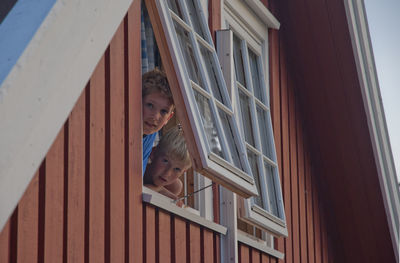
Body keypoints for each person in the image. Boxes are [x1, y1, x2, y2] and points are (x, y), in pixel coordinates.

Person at [143, 126, 192, 202]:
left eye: (177, 169)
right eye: (165, 161)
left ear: (183, 172)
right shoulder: (139, 168)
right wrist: (159, 190)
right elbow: (135, 189)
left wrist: (158, 189)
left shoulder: (173, 187)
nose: (167, 173)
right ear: (153, 153)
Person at [142, 68, 174, 174]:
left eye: (164, 111)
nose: (155, 116)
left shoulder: (150, 133)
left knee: (176, 186)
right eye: (150, 105)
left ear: (168, 118)